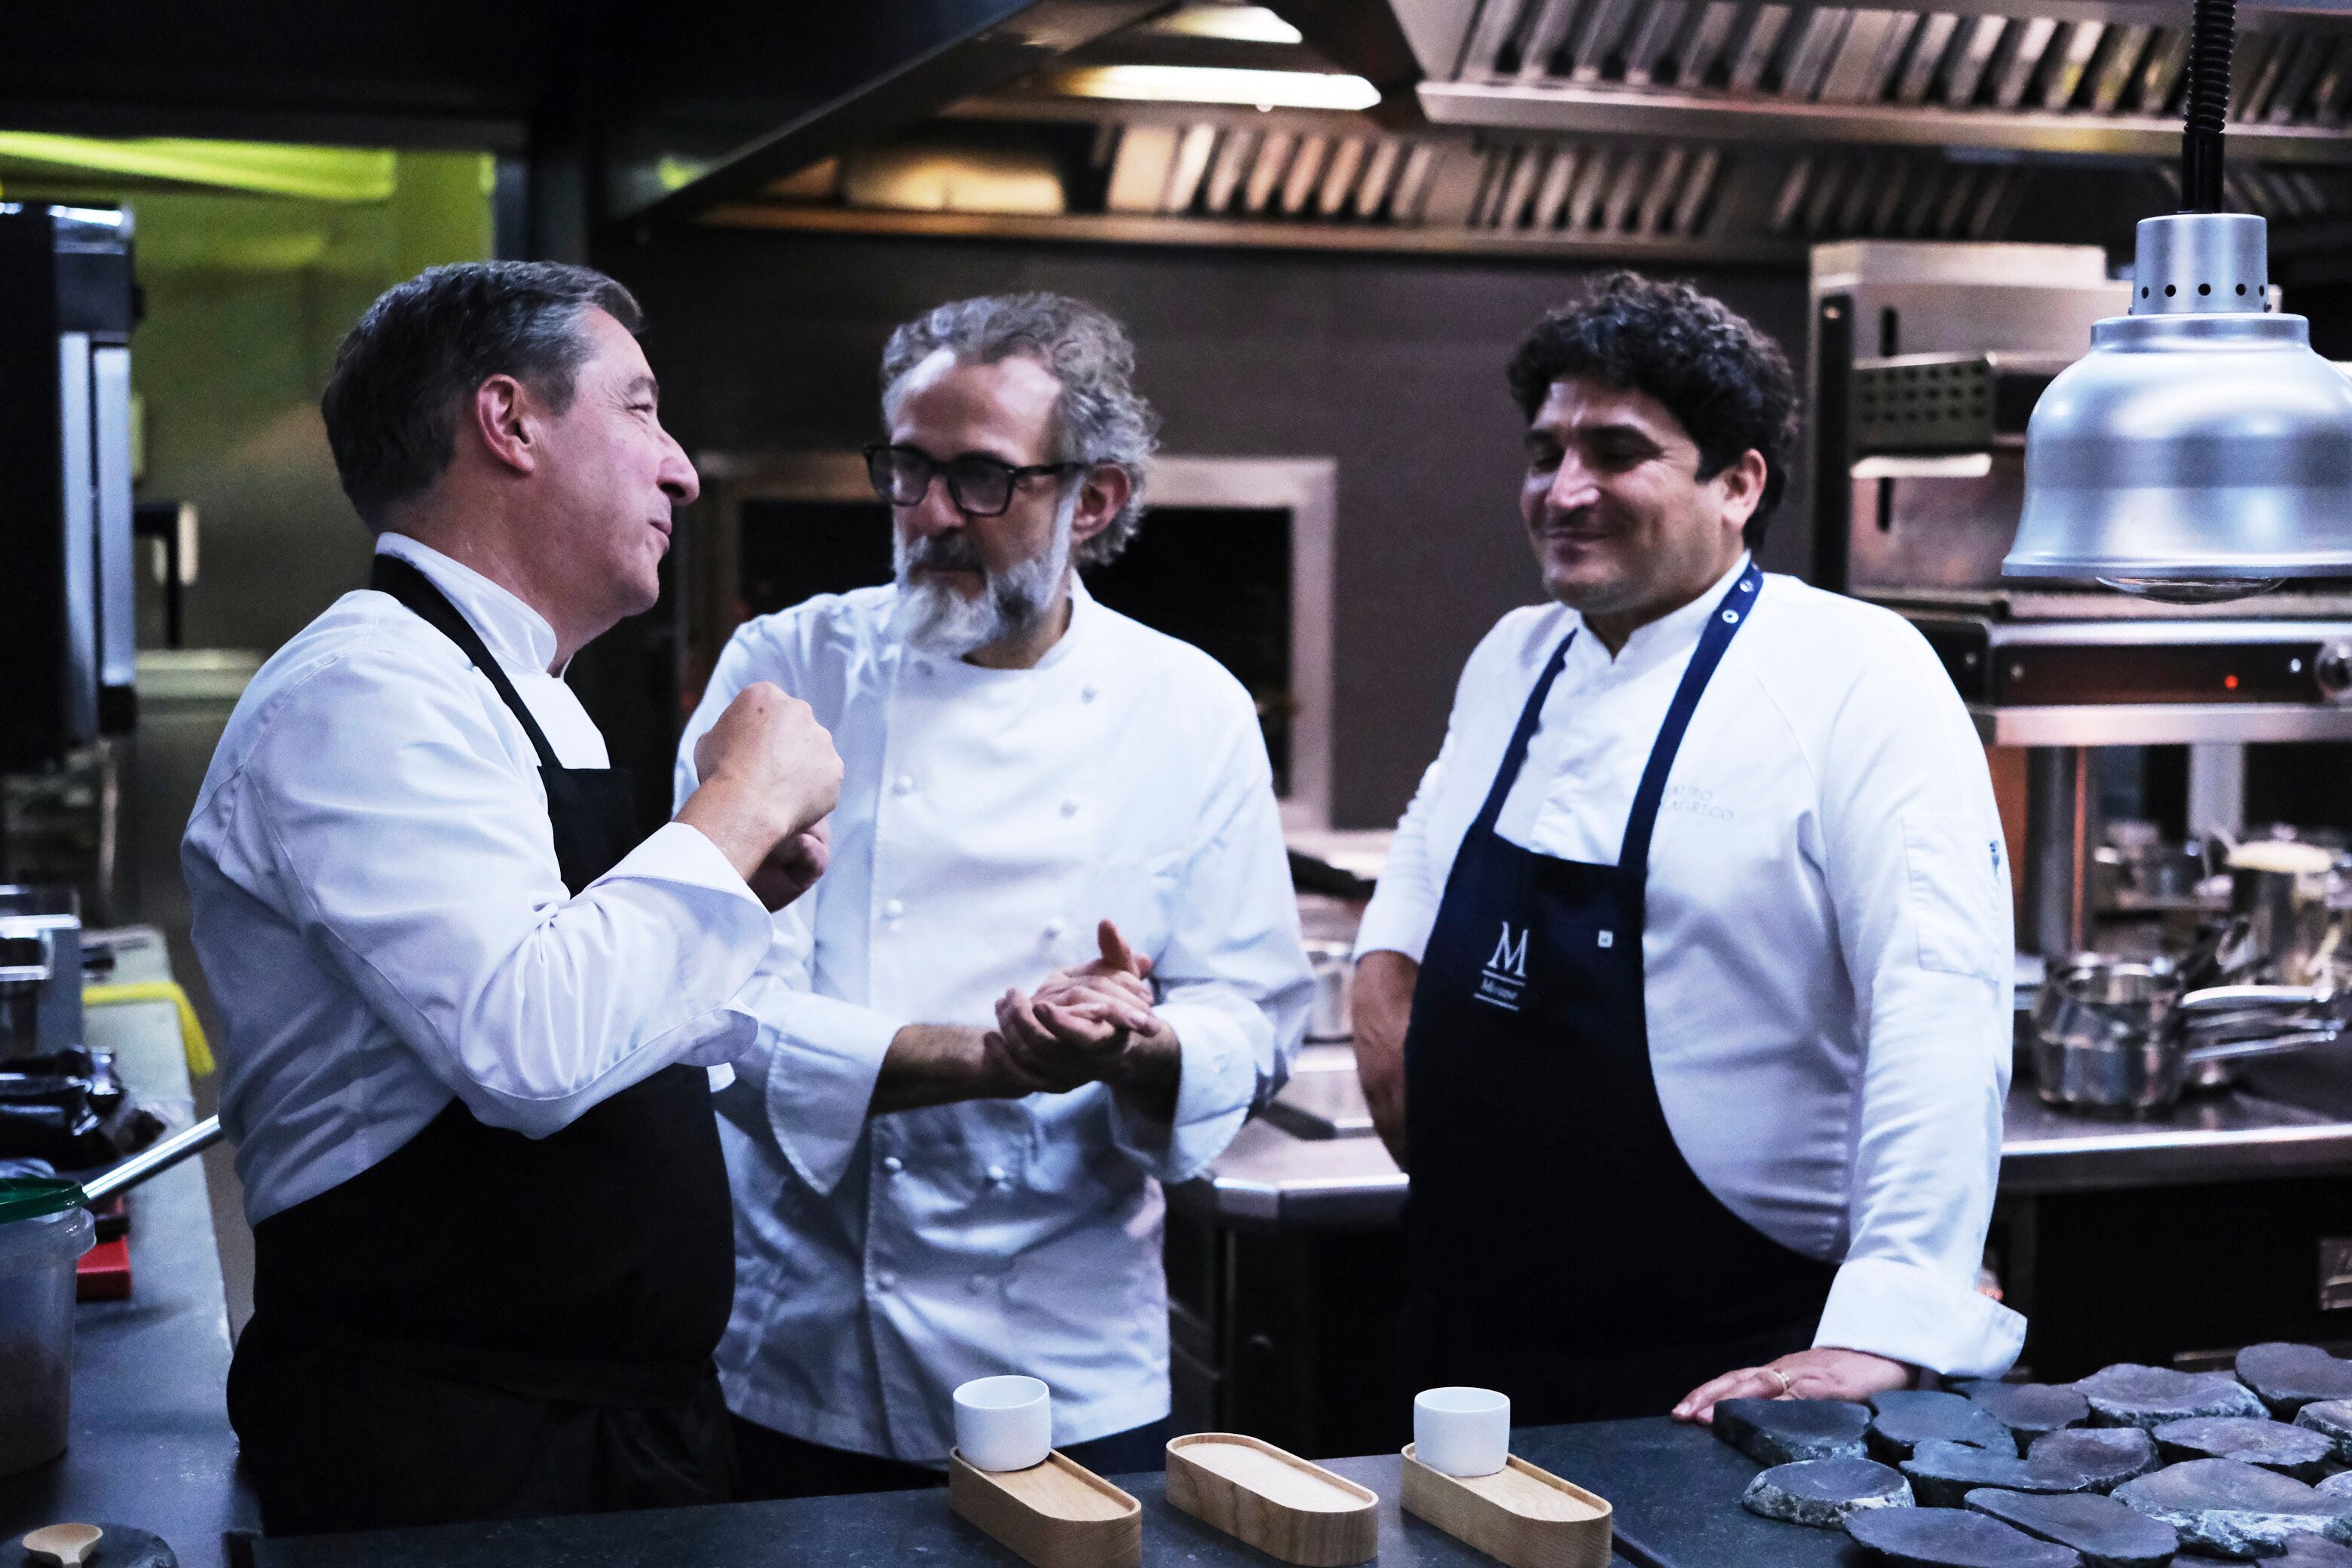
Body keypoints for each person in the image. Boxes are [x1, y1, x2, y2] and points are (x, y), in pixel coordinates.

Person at [183, 262, 842, 1534]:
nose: (682, 470)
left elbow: (591, 1019)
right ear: (510, 421)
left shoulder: (516, 686)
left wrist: (724, 900)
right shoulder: (365, 692)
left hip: (605, 1441)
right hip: (449, 1458)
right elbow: (526, 1046)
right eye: (641, 409)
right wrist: (734, 810)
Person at [1351, 272, 2023, 1426]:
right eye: (1545, 450)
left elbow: (1941, 998)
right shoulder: (1516, 656)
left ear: (1739, 482)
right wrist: (1384, 1020)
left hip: (1716, 1366)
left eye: (1615, 452)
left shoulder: (1856, 673)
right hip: (1466, 1344)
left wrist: (1892, 1319)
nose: (1565, 490)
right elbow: (1423, 864)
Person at [675, 292, 1312, 1495]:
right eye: (906, 469)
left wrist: (1145, 1038)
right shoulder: (786, 671)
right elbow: (711, 1006)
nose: (927, 516)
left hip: (1070, 1369)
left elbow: (1259, 1014)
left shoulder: (1190, 707)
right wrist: (993, 1059)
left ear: (1098, 499)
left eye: (980, 480)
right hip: (806, 1358)